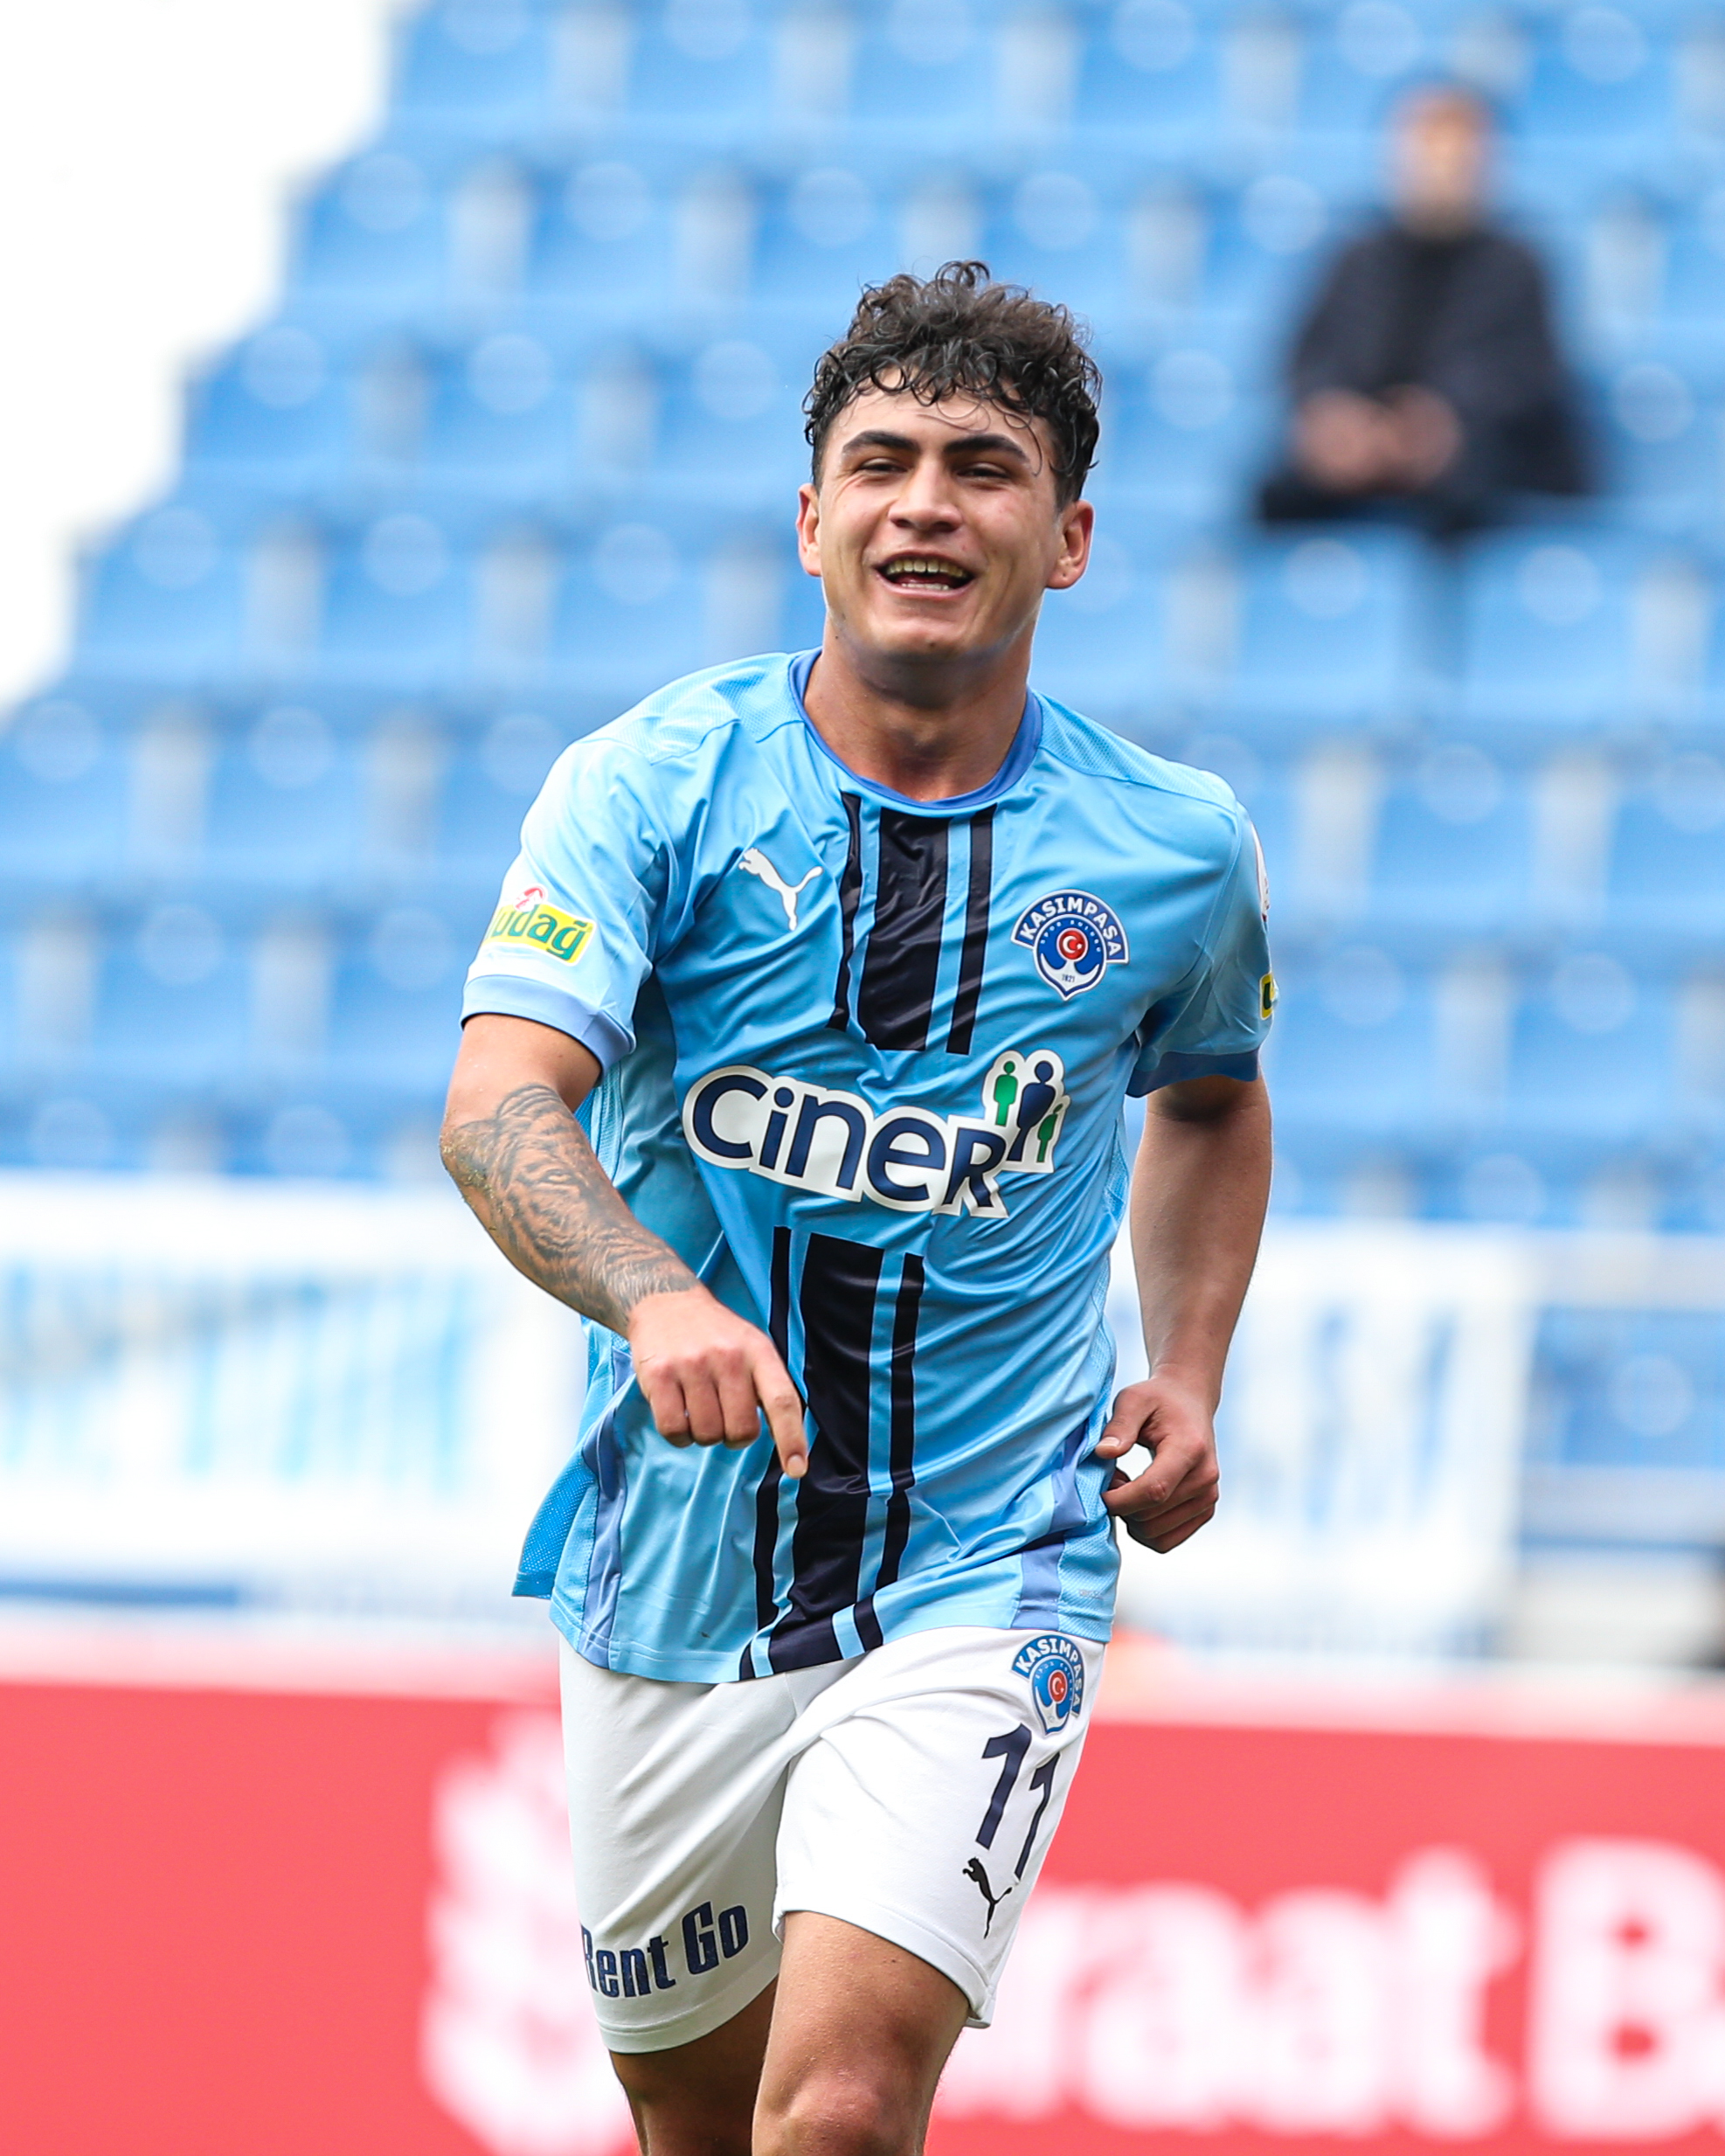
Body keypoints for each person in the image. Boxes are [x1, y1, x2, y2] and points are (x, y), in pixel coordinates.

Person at [441, 260, 1273, 2156]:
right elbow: (497, 1109)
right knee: (695, 2122)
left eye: (984, 468)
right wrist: (653, 1294)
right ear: (810, 518)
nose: (926, 505)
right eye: (882, 463)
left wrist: (1190, 1365)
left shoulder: (1173, 849)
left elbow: (1214, 1097)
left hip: (996, 1555)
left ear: (1068, 539)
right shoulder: (652, 788)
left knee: (836, 2106)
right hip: (675, 1575)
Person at [1258, 84, 1588, 536]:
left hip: (1473, 452)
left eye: (1456, 153)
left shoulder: (1517, 264)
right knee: (1276, 493)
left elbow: (1529, 376)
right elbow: (1311, 357)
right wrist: (1335, 414)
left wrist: (1445, 417)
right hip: (1367, 448)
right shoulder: (1358, 257)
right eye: (1427, 150)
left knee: (1470, 488)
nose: (1440, 168)